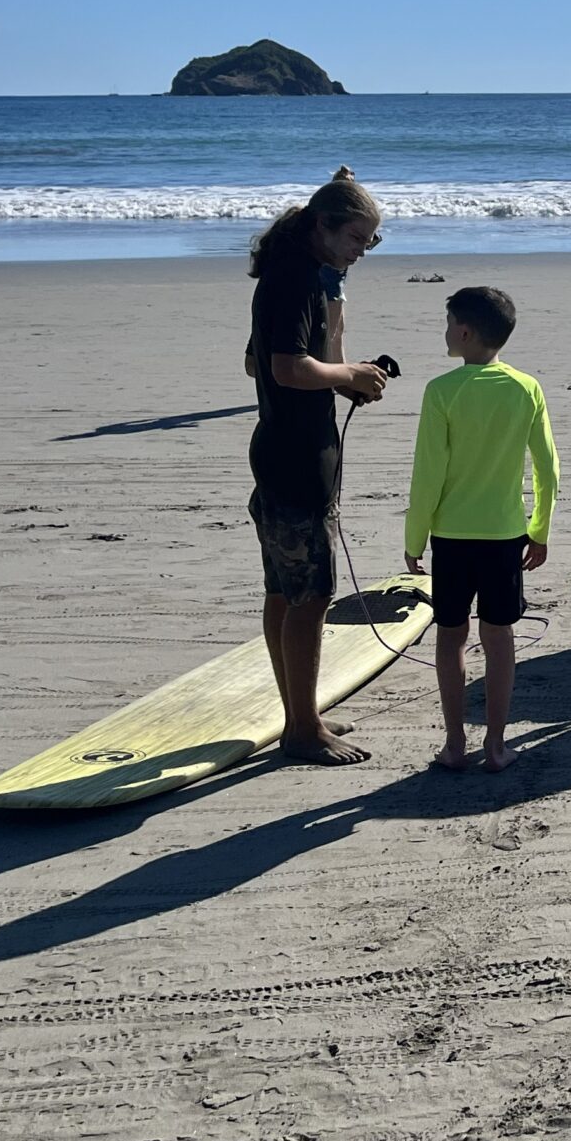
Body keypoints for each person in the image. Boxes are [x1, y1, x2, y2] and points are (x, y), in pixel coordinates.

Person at [245, 168, 393, 766]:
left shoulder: (297, 273)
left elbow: (259, 362)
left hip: (281, 451)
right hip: (296, 461)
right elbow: (285, 368)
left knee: (285, 590)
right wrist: (347, 374)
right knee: (311, 597)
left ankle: (299, 714)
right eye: (356, 238)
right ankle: (302, 731)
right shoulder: (296, 279)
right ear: (323, 226)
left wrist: (340, 375)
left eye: (370, 241)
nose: (362, 251)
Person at [403, 286, 560, 774]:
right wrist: (539, 529)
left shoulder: (442, 391)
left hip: (451, 537)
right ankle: (495, 744)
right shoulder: (525, 388)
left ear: (466, 332)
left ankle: (455, 744)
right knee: (499, 636)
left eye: (449, 323)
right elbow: (548, 468)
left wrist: (414, 539)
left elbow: (428, 474)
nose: (446, 331)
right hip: (504, 536)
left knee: (451, 636)